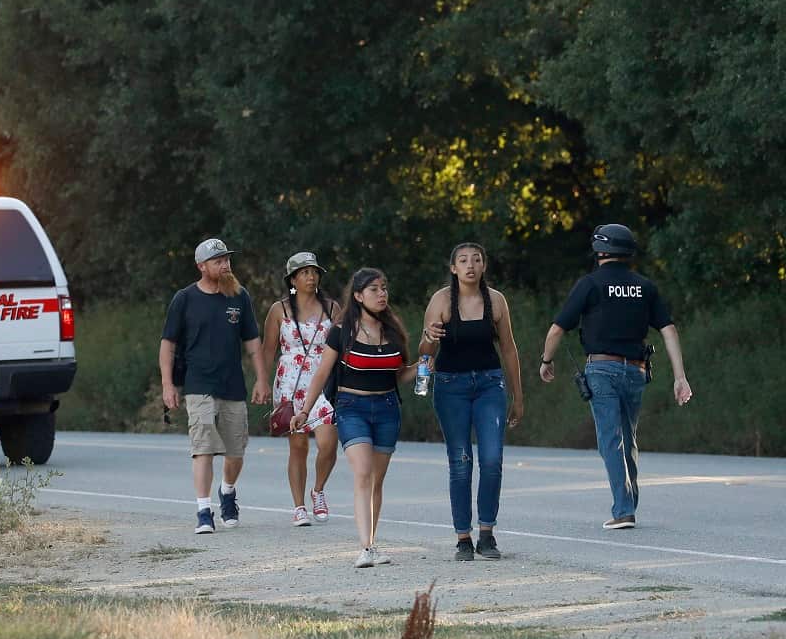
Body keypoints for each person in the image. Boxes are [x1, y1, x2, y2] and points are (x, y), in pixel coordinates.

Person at [538, 224, 693, 529]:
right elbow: (668, 329)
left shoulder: (590, 284)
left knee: (611, 439)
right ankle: (628, 503)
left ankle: (623, 511)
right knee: (627, 437)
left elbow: (558, 328)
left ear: (599, 250)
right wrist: (680, 376)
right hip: (636, 370)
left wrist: (546, 360)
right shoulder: (644, 286)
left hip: (602, 370)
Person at [290, 268, 417, 567]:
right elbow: (322, 373)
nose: (382, 293)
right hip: (351, 407)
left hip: (387, 408)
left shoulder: (394, 332)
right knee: (363, 473)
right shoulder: (341, 332)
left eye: (384, 288)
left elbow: (400, 375)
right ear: (358, 296)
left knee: (377, 480)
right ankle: (365, 547)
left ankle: (372, 544)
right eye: (374, 289)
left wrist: (426, 366)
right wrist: (305, 410)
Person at [418, 242, 523, 561]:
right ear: (453, 268)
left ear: (484, 266)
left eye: (476, 260)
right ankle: (463, 537)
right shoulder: (440, 300)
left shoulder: (496, 301)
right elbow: (424, 353)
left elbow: (508, 349)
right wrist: (427, 345)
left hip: (490, 385)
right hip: (451, 387)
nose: (470, 265)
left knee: (492, 460)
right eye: (463, 260)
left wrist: (518, 396)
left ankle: (487, 534)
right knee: (461, 461)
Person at [161, 238, 270, 534]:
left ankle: (228, 491)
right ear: (202, 266)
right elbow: (168, 344)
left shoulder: (239, 296)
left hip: (232, 384)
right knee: (203, 448)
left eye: (226, 260)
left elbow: (252, 342)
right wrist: (168, 384)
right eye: (218, 261)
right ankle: (203, 511)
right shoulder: (185, 299)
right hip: (199, 385)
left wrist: (261, 379)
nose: (224, 265)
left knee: (236, 452)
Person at [260, 252, 341, 527]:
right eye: (304, 272)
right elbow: (268, 351)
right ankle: (299, 507)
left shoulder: (332, 308)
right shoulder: (278, 310)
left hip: (323, 382)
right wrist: (261, 382)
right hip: (290, 383)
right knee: (298, 446)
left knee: (328, 441)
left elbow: (343, 348)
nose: (311, 276)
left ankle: (318, 490)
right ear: (293, 278)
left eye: (314, 272)